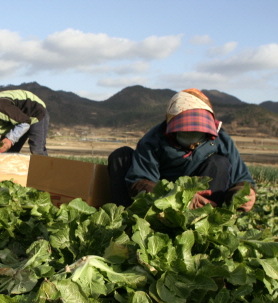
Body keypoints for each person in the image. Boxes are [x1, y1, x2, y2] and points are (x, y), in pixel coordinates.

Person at [107, 88, 256, 211]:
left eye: (198, 132)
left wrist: (244, 194)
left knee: (219, 162)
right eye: (185, 131)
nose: (192, 139)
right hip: (162, 201)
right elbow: (139, 182)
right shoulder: (152, 141)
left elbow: (241, 178)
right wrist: (178, 198)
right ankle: (128, 222)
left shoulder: (221, 139)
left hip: (204, 199)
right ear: (171, 128)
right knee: (121, 156)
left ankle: (208, 218)